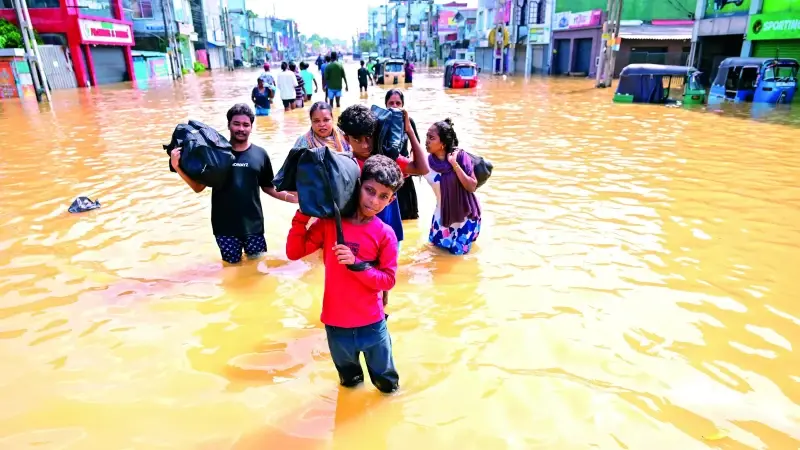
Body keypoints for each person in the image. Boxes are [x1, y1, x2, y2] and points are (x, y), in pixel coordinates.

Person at [286, 155, 403, 394]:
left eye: (383, 196)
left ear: (391, 200)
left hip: (372, 326)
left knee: (387, 387)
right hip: (336, 326)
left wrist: (357, 263)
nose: (374, 200)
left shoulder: (385, 234)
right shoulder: (330, 224)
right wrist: (303, 213)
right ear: (358, 185)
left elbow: (388, 280)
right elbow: (293, 252)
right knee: (349, 385)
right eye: (369, 190)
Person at [171, 104, 298, 264]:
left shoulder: (260, 154)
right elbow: (199, 187)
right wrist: (177, 167)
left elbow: (268, 186)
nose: (241, 128)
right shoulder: (215, 154)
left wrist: (291, 197)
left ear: (251, 127)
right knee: (232, 269)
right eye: (236, 124)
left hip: (253, 227)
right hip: (225, 228)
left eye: (246, 125)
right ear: (229, 125)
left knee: (257, 269)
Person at [338, 104, 429, 306]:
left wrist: (409, 131)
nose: (364, 145)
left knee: (384, 286)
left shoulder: (386, 160)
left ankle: (382, 317)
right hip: (360, 236)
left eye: (368, 137)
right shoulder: (345, 165)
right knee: (359, 285)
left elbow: (422, 168)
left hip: (388, 231)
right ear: (346, 139)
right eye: (357, 139)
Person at [424, 119, 482, 255]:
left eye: (431, 138)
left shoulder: (460, 157)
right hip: (442, 217)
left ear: (443, 144)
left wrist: (454, 164)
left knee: (458, 257)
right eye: (427, 136)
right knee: (436, 256)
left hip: (465, 218)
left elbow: (472, 186)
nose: (427, 140)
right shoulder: (427, 163)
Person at [385, 89, 419, 220]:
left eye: (398, 103)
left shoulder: (408, 121)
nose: (394, 106)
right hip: (387, 174)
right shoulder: (381, 121)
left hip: (405, 173)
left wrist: (410, 163)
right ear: (386, 105)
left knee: (407, 216)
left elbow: (415, 146)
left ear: (402, 105)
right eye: (391, 103)